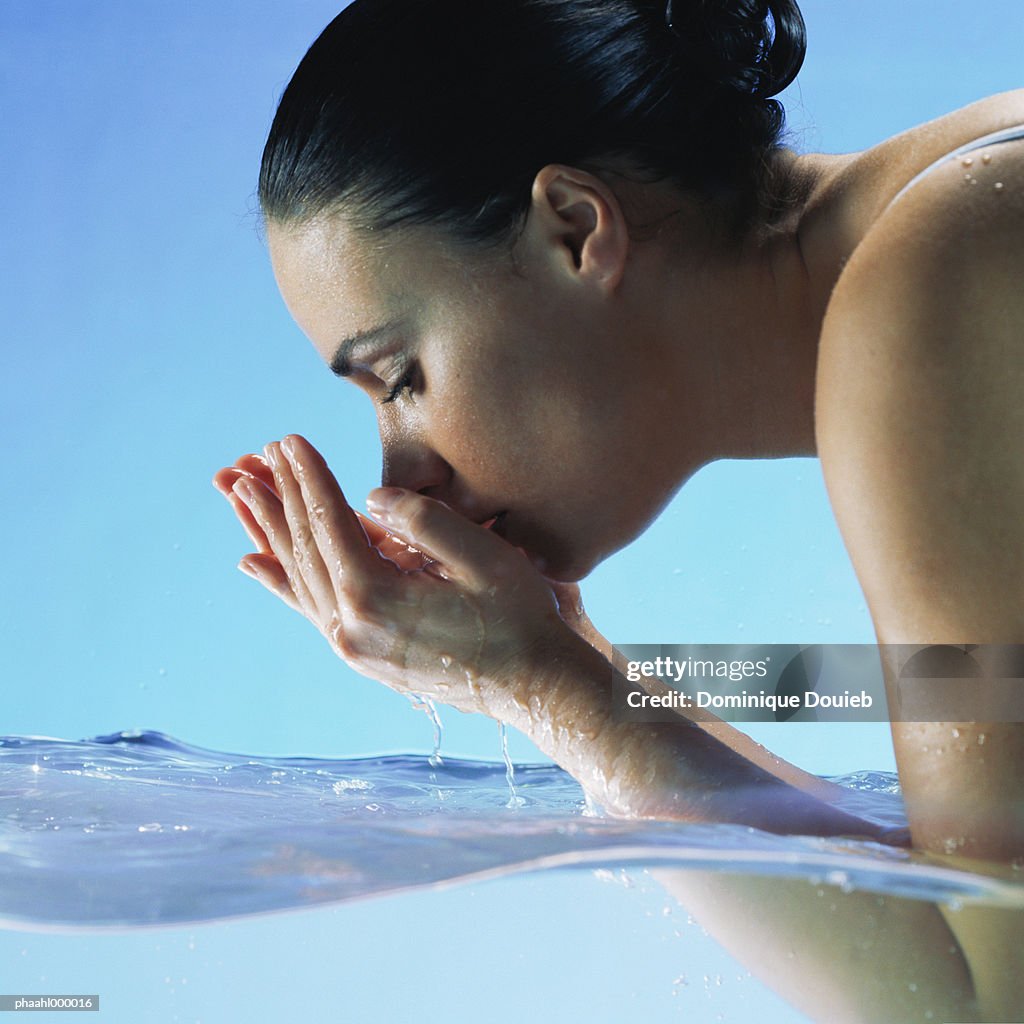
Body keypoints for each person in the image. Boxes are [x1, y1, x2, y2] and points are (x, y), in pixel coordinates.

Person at [211, 4, 1024, 1010]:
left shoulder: (944, 281)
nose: (397, 482)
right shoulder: (962, 223)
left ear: (575, 229)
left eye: (399, 377)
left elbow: (982, 996)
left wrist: (555, 693)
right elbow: (965, 775)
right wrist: (565, 667)